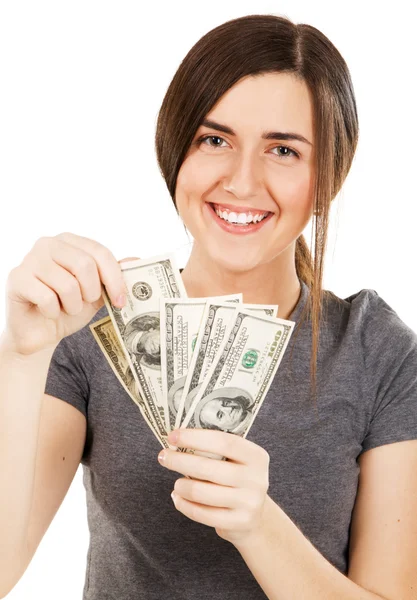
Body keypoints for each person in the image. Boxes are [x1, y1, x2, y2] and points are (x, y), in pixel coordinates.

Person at [1, 13, 416, 600]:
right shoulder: (93, 323)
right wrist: (21, 355)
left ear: (327, 178)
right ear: (177, 152)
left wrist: (259, 526)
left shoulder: (379, 353)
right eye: (214, 140)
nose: (242, 183)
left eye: (284, 150)